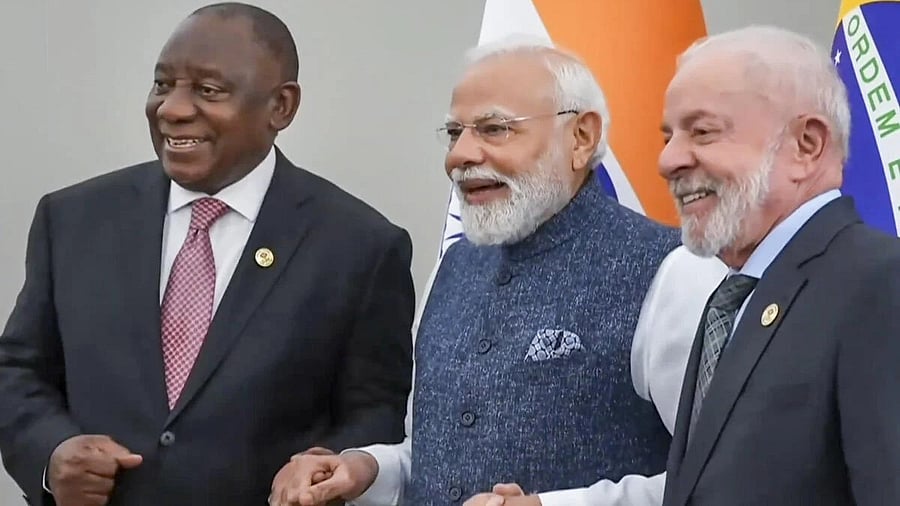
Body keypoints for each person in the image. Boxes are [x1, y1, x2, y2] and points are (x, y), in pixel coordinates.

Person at [268, 37, 727, 506]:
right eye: (454, 133)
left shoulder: (674, 271)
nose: (459, 156)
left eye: (494, 129)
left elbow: (723, 475)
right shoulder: (455, 265)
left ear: (581, 137)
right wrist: (365, 468)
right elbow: (438, 452)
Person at [0, 3, 414, 505]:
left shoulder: (360, 248)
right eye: (162, 84)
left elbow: (374, 415)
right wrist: (50, 453)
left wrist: (326, 469)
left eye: (208, 90)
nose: (171, 109)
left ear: (281, 107)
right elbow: (17, 371)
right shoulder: (73, 220)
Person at [657, 26, 900, 505]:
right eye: (668, 137)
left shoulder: (879, 284)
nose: (668, 160)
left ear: (807, 145)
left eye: (702, 131)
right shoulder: (734, 297)